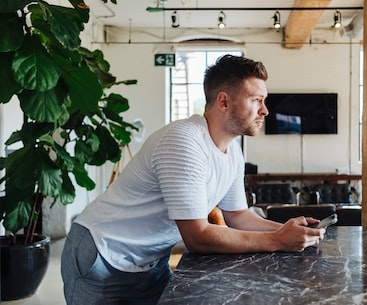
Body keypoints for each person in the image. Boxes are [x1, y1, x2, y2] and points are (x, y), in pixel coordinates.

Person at [61, 54, 326, 305]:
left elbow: (238, 216)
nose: (265, 111)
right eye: (256, 100)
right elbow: (197, 237)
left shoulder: (232, 149)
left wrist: (290, 231)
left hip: (150, 262)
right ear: (224, 102)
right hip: (101, 253)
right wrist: (278, 240)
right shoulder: (184, 140)